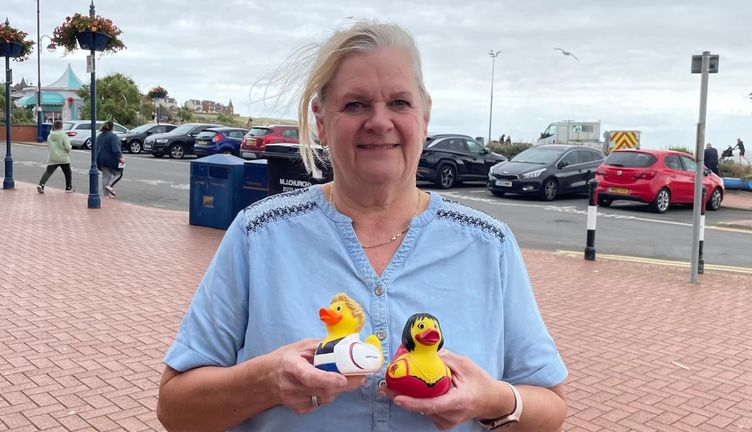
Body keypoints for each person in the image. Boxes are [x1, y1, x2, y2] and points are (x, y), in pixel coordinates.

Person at [158, 22, 567, 432]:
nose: (379, 121)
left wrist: (494, 399)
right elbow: (175, 409)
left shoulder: (488, 245)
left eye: (400, 103)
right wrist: (266, 382)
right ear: (321, 120)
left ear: (424, 116)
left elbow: (551, 408)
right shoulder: (259, 235)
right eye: (355, 104)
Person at [37, 120, 75, 193]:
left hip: (53, 157)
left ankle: (41, 185)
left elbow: (48, 146)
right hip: (63, 158)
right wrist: (70, 147)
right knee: (67, 172)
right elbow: (67, 147)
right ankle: (68, 187)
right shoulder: (64, 135)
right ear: (61, 126)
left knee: (48, 172)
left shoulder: (50, 136)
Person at [95, 120, 125, 197]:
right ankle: (109, 185)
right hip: (111, 160)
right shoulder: (113, 137)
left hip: (100, 159)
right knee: (118, 174)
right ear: (112, 128)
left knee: (105, 176)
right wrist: (120, 157)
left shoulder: (99, 136)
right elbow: (115, 149)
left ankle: (106, 194)